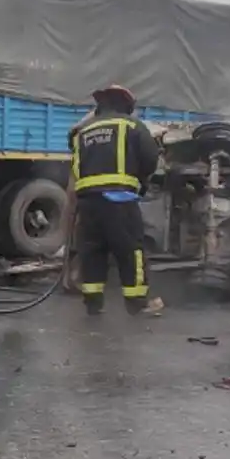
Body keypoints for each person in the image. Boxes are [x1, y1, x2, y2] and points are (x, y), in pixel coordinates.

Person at [68, 84, 161, 315]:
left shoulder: (84, 131)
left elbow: (76, 164)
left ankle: (92, 303)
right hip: (119, 200)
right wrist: (141, 181)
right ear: (126, 105)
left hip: (88, 204)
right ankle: (137, 304)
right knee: (131, 251)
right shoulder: (132, 125)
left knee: (92, 252)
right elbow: (150, 159)